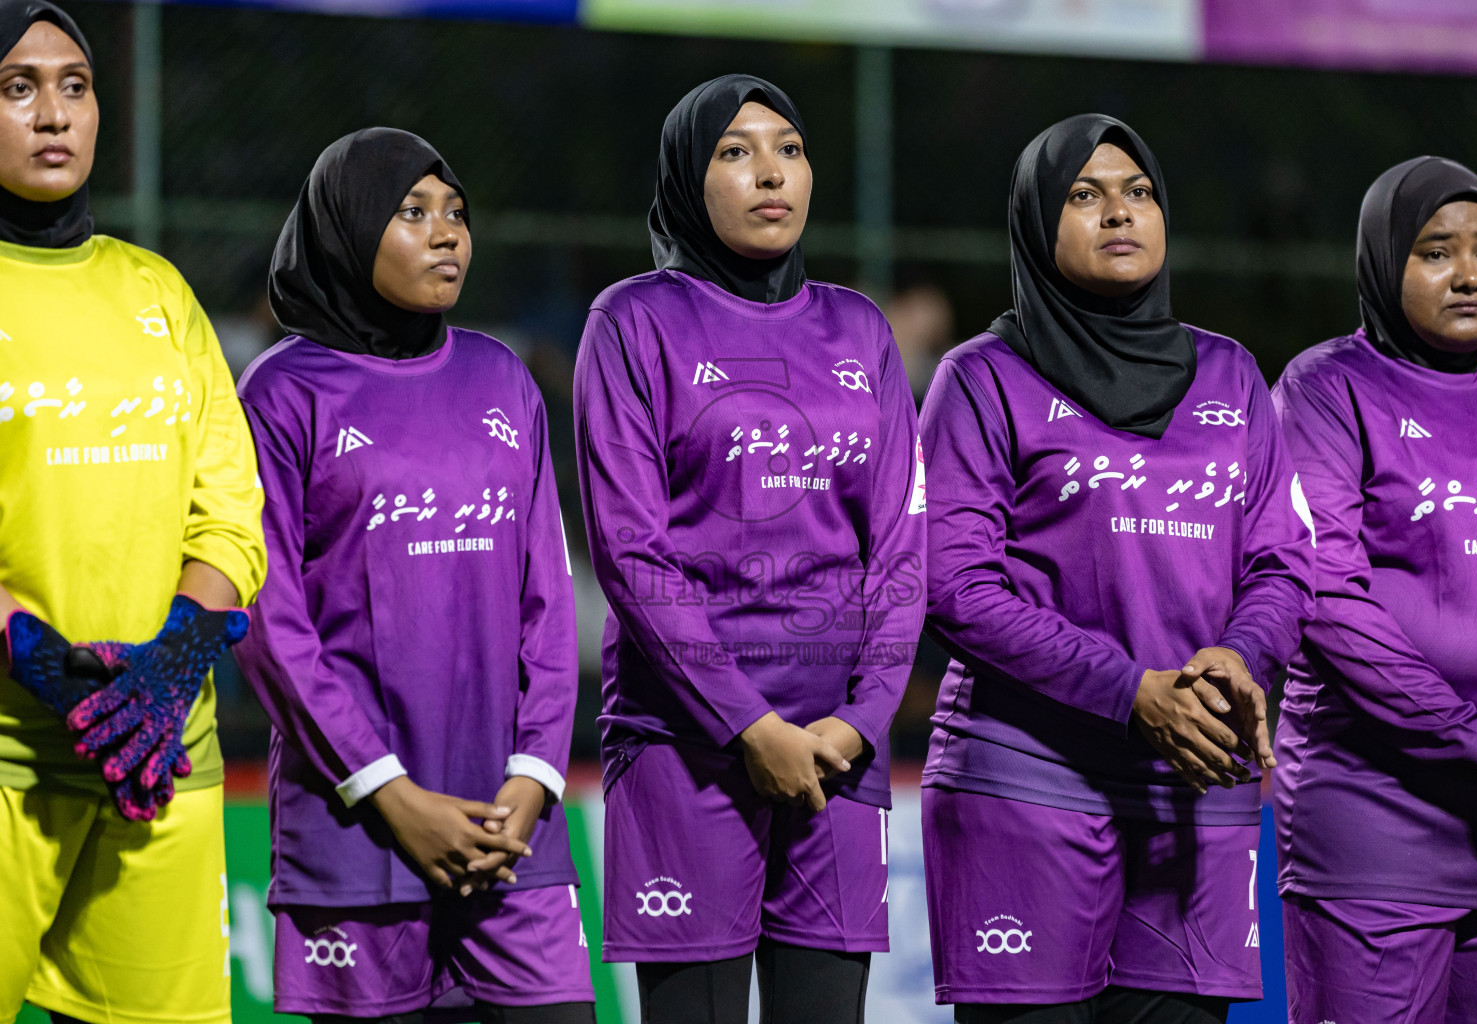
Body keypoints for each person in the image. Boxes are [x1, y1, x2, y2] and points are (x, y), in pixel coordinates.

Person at [917, 114, 1315, 1024]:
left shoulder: (1231, 374)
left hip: (1197, 783)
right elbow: (954, 584)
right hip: (1026, 777)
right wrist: (1132, 691)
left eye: (1138, 193)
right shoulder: (984, 379)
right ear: (1036, 224)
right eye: (1085, 196)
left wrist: (1238, 658)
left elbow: (1284, 563)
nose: (1119, 213)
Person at [573, 75, 925, 1024]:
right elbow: (631, 553)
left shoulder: (860, 328)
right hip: (686, 747)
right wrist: (746, 726)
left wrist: (860, 722)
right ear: (690, 177)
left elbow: (899, 550)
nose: (770, 172)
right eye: (735, 151)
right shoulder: (633, 321)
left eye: (789, 148)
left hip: (839, 754)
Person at [233, 128, 593, 1024]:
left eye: (457, 213)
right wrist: (388, 791)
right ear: (348, 231)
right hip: (356, 835)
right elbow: (272, 624)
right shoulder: (283, 393)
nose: (447, 234)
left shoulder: (500, 377)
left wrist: (534, 778)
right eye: (412, 212)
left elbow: (548, 608)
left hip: (512, 833)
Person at [0, 2, 265, 1021]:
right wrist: (30, 653)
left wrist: (180, 651)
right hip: (12, 752)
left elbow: (229, 510)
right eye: (18, 86)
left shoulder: (154, 290)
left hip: (160, 757)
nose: (54, 112)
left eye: (75, 84)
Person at [1272, 156, 1477, 1024]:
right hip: (1375, 828)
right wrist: (1471, 734)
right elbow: (1326, 596)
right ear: (1384, 265)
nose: (1469, 274)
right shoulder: (1328, 386)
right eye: (1435, 252)